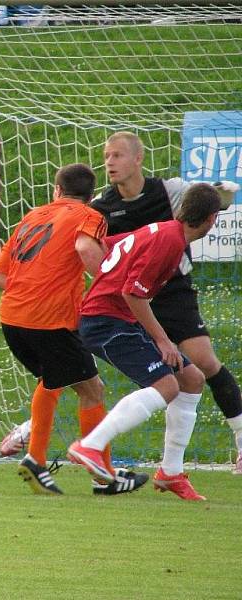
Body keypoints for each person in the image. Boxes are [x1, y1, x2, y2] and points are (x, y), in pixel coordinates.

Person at [1, 131, 242, 476]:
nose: (109, 163)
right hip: (129, 297)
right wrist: (109, 281)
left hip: (171, 292)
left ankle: (223, 449)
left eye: (116, 155)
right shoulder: (99, 208)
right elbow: (89, 248)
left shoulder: (168, 191)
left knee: (199, 366)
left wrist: (220, 192)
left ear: (138, 158)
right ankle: (52, 438)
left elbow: (201, 198)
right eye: (106, 157)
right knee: (89, 369)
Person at [0, 163, 148, 496]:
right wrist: (111, 288)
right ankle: (98, 474)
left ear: (57, 190)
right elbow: (84, 248)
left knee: (52, 380)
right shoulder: (90, 216)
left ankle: (49, 460)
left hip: (11, 318)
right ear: (90, 196)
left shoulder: (32, 216)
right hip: (48, 320)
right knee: (93, 391)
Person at [68, 183, 223, 501]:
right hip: (105, 321)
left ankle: (171, 472)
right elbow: (132, 293)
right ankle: (91, 446)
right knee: (167, 386)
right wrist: (164, 340)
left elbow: (112, 248)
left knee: (191, 378)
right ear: (211, 219)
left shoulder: (164, 232)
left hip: (118, 319)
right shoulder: (168, 241)